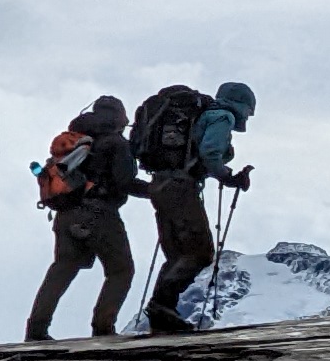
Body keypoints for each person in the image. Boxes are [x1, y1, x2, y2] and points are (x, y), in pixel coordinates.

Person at [134, 80, 260, 334]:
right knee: (200, 252)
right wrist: (228, 176)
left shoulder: (196, 114)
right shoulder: (221, 116)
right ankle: (161, 306)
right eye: (249, 109)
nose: (248, 115)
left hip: (159, 184)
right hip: (182, 187)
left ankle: (162, 315)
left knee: (177, 252)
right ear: (242, 105)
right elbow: (210, 152)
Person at [22, 94, 139, 343]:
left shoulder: (74, 142)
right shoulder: (115, 142)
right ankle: (103, 327)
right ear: (119, 117)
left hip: (65, 214)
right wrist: (155, 191)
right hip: (100, 213)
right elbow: (124, 181)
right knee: (120, 269)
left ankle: (36, 329)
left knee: (62, 268)